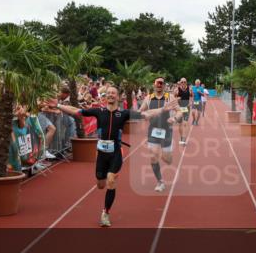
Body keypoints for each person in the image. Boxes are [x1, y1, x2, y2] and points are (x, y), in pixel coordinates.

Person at [54, 85, 175, 226]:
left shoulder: (123, 114)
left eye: (113, 93)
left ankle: (105, 213)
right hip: (101, 154)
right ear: (105, 97)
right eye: (108, 93)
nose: (111, 95)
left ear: (118, 97)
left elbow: (146, 114)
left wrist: (163, 109)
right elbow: (76, 111)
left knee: (111, 181)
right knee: (101, 184)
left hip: (116, 153)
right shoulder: (98, 111)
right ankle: (102, 180)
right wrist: (57, 105)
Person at [139, 78, 181, 192]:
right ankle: (160, 181)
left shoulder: (170, 97)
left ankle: (165, 152)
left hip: (167, 131)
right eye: (157, 83)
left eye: (161, 84)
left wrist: (175, 118)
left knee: (167, 160)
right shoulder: (148, 98)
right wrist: (145, 114)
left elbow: (180, 111)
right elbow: (140, 111)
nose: (159, 85)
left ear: (164, 86)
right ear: (154, 85)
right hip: (153, 131)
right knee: (153, 156)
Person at [8, 105, 45, 174]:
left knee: (21, 153)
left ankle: (20, 170)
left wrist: (21, 116)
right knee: (14, 152)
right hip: (10, 134)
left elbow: (22, 125)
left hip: (19, 135)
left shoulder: (27, 115)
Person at [174, 78, 192, 143]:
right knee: (180, 124)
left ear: (186, 82)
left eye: (184, 82)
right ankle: (181, 137)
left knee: (185, 123)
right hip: (179, 108)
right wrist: (177, 99)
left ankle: (184, 138)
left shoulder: (189, 89)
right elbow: (174, 98)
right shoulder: (177, 89)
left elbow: (192, 96)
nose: (183, 83)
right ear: (180, 83)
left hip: (186, 107)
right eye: (182, 82)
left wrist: (190, 102)